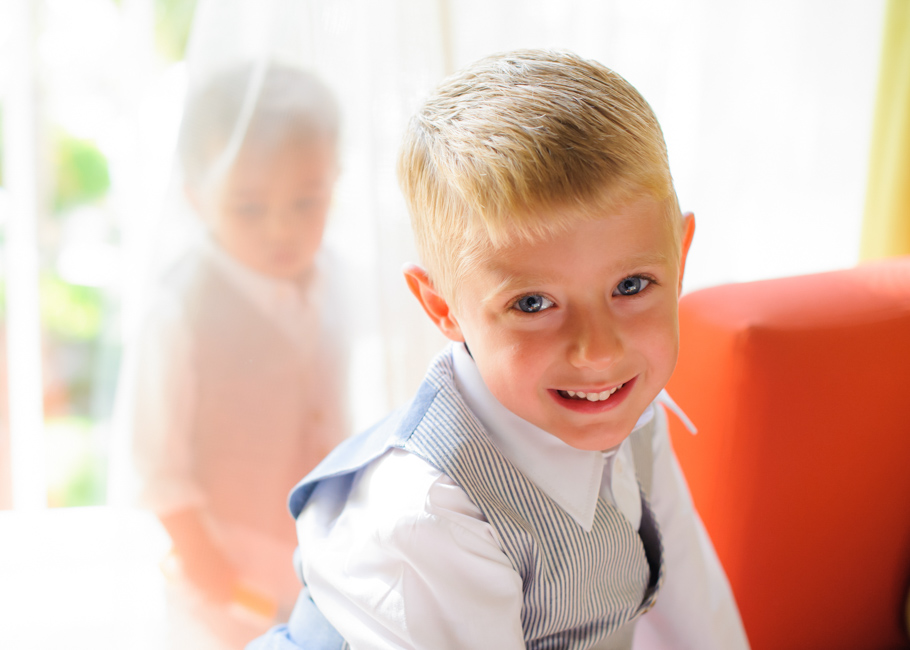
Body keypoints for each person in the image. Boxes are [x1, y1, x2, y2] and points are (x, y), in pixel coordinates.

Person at [250, 49, 749, 649]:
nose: (597, 352)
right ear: (442, 308)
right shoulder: (430, 516)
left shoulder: (628, 409)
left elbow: (700, 619)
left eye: (631, 286)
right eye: (534, 304)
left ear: (680, 256)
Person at [124, 62, 349, 648]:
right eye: (249, 208)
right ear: (198, 200)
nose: (281, 229)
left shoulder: (336, 282)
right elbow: (157, 472)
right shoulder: (180, 308)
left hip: (325, 560)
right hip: (226, 578)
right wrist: (222, 581)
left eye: (306, 202)